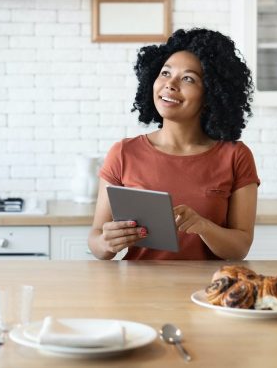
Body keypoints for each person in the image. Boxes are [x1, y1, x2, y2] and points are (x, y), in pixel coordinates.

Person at [88, 28, 260, 260]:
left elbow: (240, 248)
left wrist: (203, 226)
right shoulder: (123, 153)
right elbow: (96, 240)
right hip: (138, 291)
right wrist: (107, 242)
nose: (170, 84)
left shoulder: (235, 156)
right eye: (165, 73)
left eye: (188, 78)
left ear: (211, 95)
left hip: (208, 293)